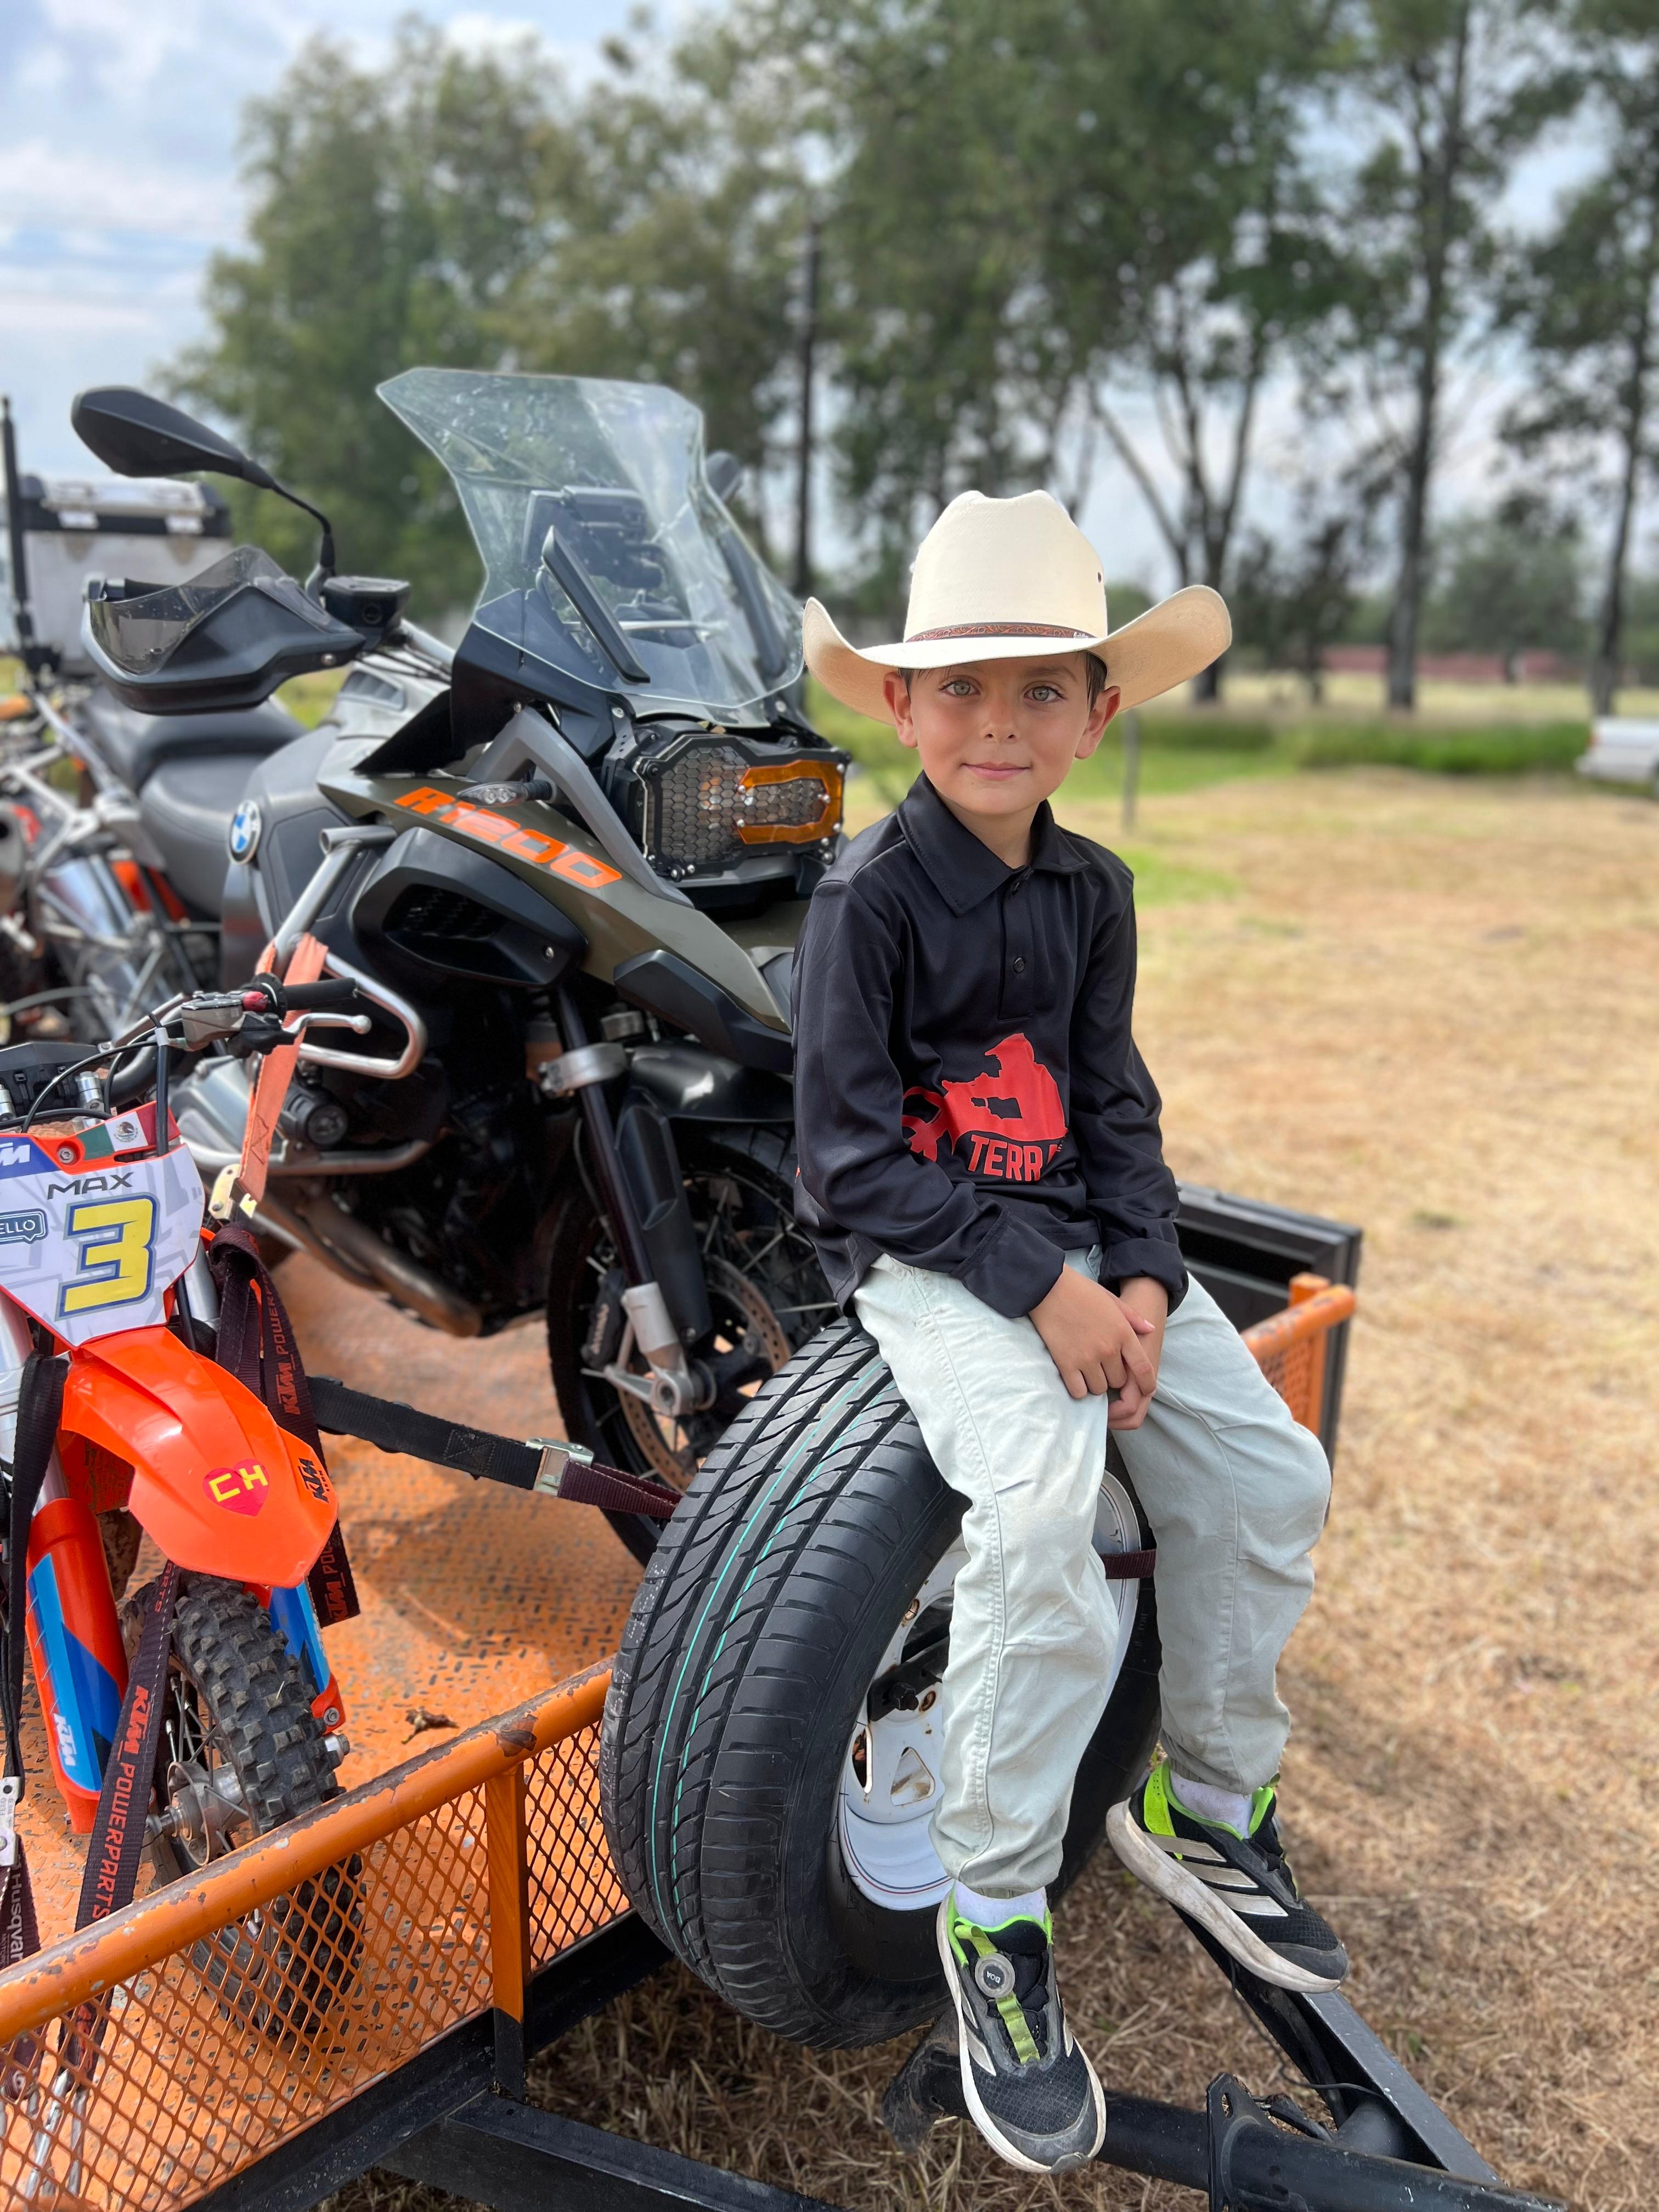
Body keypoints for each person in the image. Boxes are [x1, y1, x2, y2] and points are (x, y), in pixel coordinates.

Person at [791, 491, 1342, 2176]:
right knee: (1042, 1517)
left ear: (1097, 717)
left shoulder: (1095, 893)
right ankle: (993, 1912)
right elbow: (847, 1161)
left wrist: (1150, 1279)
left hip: (1091, 1257)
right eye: (961, 687)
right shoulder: (869, 900)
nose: (999, 722)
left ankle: (1207, 1804)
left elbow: (1115, 1111)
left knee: (1269, 1477)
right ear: (901, 705)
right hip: (930, 1259)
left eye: (1041, 688)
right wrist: (1042, 1287)